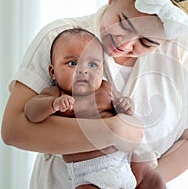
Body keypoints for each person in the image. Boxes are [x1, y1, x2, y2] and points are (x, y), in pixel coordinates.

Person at [1, 0, 188, 188]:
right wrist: (111, 131)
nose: (126, 44)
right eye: (124, 24)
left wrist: (138, 180)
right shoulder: (61, 39)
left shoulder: (181, 59)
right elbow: (14, 129)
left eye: (147, 43)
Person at [24, 27, 161, 189]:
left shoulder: (106, 88)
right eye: (72, 63)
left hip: (124, 161)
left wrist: (125, 105)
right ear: (53, 72)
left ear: (102, 69)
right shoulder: (55, 94)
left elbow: (125, 110)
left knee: (153, 179)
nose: (83, 71)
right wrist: (52, 105)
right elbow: (30, 112)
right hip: (88, 173)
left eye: (92, 64)